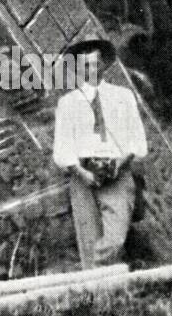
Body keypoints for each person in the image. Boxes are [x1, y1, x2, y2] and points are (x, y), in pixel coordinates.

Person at [52, 36, 148, 268]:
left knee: (115, 240)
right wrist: (81, 172)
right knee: (89, 242)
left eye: (95, 63)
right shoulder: (68, 102)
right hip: (82, 177)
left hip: (117, 173)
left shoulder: (123, 97)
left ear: (104, 64)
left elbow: (137, 140)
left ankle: (92, 278)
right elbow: (63, 147)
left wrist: (119, 164)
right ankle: (98, 293)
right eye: (85, 65)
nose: (91, 69)